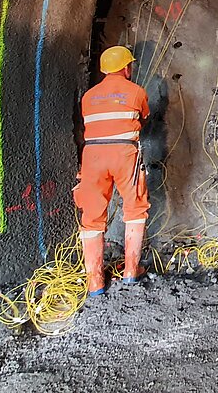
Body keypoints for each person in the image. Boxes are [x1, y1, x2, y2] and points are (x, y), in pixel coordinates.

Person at [73, 45, 151, 297]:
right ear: (126, 68)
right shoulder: (136, 91)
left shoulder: (88, 96)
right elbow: (145, 117)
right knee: (135, 207)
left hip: (92, 156)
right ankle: (130, 269)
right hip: (124, 153)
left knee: (92, 216)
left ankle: (94, 280)